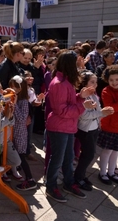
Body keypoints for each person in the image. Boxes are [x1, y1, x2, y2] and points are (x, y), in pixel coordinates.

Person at [45, 51, 95, 203]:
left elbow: (69, 103)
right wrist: (82, 106)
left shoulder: (65, 81)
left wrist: (81, 96)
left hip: (66, 126)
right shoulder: (60, 83)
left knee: (68, 157)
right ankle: (51, 186)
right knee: (58, 158)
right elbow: (62, 110)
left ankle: (68, 182)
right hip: (60, 126)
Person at [74, 71, 114, 190]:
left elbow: (98, 109)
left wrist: (103, 111)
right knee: (88, 155)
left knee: (88, 155)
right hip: (85, 130)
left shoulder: (94, 95)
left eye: (96, 82)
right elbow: (84, 115)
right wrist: (101, 113)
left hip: (94, 128)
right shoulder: (82, 96)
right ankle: (78, 178)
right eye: (92, 82)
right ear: (84, 83)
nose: (95, 84)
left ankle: (81, 174)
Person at [8, 76, 37, 191]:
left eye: (13, 87)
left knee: (21, 156)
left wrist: (14, 105)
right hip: (14, 132)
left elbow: (21, 119)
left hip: (20, 133)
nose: (11, 89)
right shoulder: (18, 99)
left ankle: (30, 179)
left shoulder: (23, 101)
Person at [97, 65, 118, 185]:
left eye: (116, 80)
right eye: (111, 80)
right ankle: (102, 173)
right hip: (109, 125)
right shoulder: (106, 91)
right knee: (107, 150)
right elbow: (109, 107)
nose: (114, 82)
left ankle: (111, 172)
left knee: (116, 151)